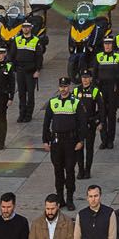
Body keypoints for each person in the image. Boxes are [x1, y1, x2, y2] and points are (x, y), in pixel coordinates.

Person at [41, 75, 82, 208]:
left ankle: (70, 198)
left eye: (65, 86)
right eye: (61, 87)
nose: (63, 89)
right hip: (56, 141)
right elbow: (46, 123)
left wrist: (81, 140)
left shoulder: (75, 102)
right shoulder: (53, 102)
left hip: (71, 141)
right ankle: (60, 198)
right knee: (58, 170)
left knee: (70, 170)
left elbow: (82, 123)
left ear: (69, 87)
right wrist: (45, 141)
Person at [13, 19, 42, 122]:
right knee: (21, 93)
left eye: (27, 27)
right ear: (22, 28)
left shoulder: (36, 40)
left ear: (30, 28)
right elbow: (12, 54)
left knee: (30, 94)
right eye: (24, 27)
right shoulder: (17, 40)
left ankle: (29, 114)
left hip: (31, 72)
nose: (25, 28)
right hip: (20, 70)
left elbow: (39, 57)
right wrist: (14, 68)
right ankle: (22, 114)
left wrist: (37, 70)